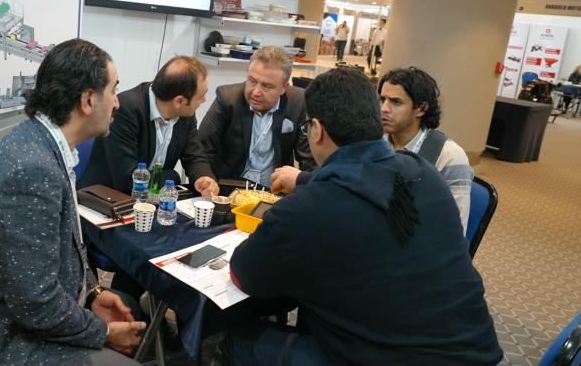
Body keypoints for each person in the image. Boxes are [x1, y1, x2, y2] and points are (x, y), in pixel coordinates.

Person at [224, 68, 502, 366]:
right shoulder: (425, 173)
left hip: (389, 357)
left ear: (316, 130)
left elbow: (244, 275)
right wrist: (304, 180)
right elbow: (363, 181)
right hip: (475, 353)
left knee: (239, 339)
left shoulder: (306, 209)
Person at [0, 39, 146, 366]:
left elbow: (58, 253)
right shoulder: (32, 171)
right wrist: (101, 332)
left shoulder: (39, 144)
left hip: (12, 318)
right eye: (113, 90)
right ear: (88, 100)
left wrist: (93, 294)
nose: (117, 102)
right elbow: (35, 304)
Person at [272, 67, 473, 233]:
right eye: (382, 99)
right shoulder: (374, 142)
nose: (384, 108)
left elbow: (455, 230)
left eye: (396, 102)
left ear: (421, 108)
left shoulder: (449, 156)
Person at [79, 55, 218, 198]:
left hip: (151, 199)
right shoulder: (126, 110)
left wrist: (204, 178)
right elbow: (128, 180)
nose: (204, 100)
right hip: (105, 200)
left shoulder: (185, 114)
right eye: (201, 96)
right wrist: (173, 176)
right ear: (179, 101)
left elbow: (194, 155)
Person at [198, 46, 316, 189]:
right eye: (252, 81)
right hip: (229, 187)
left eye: (266, 86)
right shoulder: (228, 99)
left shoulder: (298, 102)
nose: (255, 92)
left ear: (284, 87)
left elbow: (309, 160)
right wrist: (207, 179)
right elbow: (201, 149)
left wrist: (305, 188)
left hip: (275, 190)